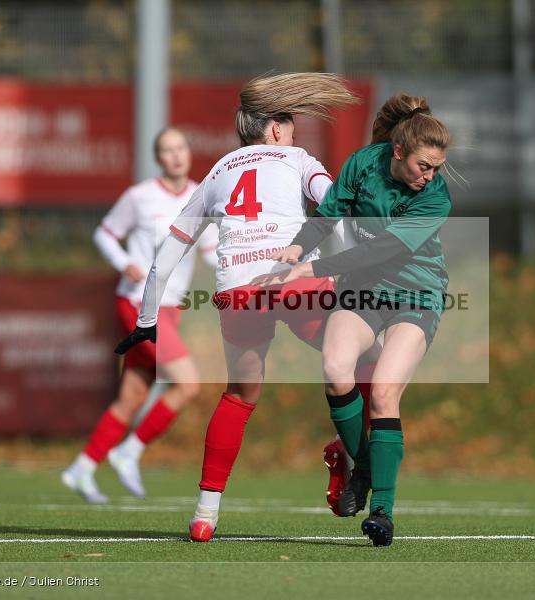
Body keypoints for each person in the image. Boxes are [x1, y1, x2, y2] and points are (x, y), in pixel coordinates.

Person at [114, 72, 377, 541]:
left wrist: (147, 320)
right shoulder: (298, 159)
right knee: (367, 363)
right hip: (297, 285)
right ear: (276, 128)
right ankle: (353, 457)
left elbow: (170, 250)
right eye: (291, 125)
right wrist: (351, 270)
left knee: (239, 395)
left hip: (239, 293)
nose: (293, 133)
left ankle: (203, 515)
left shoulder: (217, 171)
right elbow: (335, 208)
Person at [255, 95, 452, 546]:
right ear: (399, 152)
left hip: (415, 294)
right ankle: (361, 467)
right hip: (362, 290)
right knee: (336, 368)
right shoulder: (364, 163)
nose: (431, 176)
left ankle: (382, 511)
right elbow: (326, 216)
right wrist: (297, 248)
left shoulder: (435, 198)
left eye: (437, 167)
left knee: (383, 393)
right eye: (425, 165)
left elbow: (382, 250)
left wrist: (311, 269)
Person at [62, 127, 217, 504]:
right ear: (158, 158)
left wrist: (247, 273)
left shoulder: (204, 197)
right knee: (188, 384)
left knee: (131, 397)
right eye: (167, 150)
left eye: (180, 147)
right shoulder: (139, 197)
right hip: (138, 303)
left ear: (188, 151)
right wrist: (123, 261)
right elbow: (105, 233)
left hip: (172, 308)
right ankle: (129, 451)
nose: (176, 155)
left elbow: (212, 254)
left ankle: (81, 469)